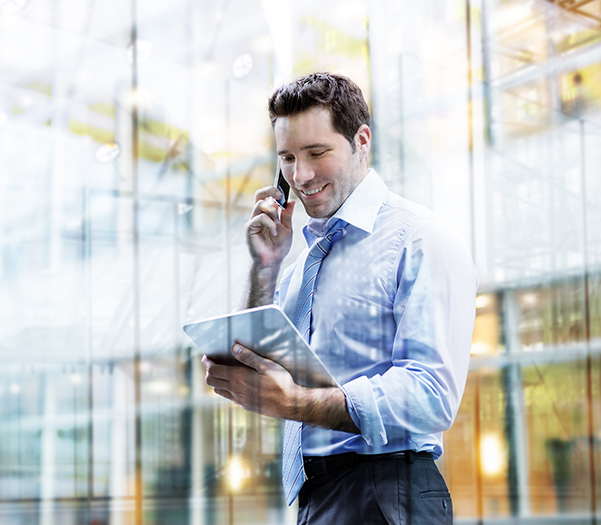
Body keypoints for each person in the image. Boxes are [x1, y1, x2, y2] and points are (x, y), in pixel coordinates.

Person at [202, 72, 477, 524]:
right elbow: (248, 356)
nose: (300, 176)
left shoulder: (419, 237)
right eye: (287, 158)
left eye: (317, 152)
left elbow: (431, 396)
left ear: (361, 140)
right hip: (317, 496)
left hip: (389, 492)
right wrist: (264, 267)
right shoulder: (302, 263)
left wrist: (293, 403)